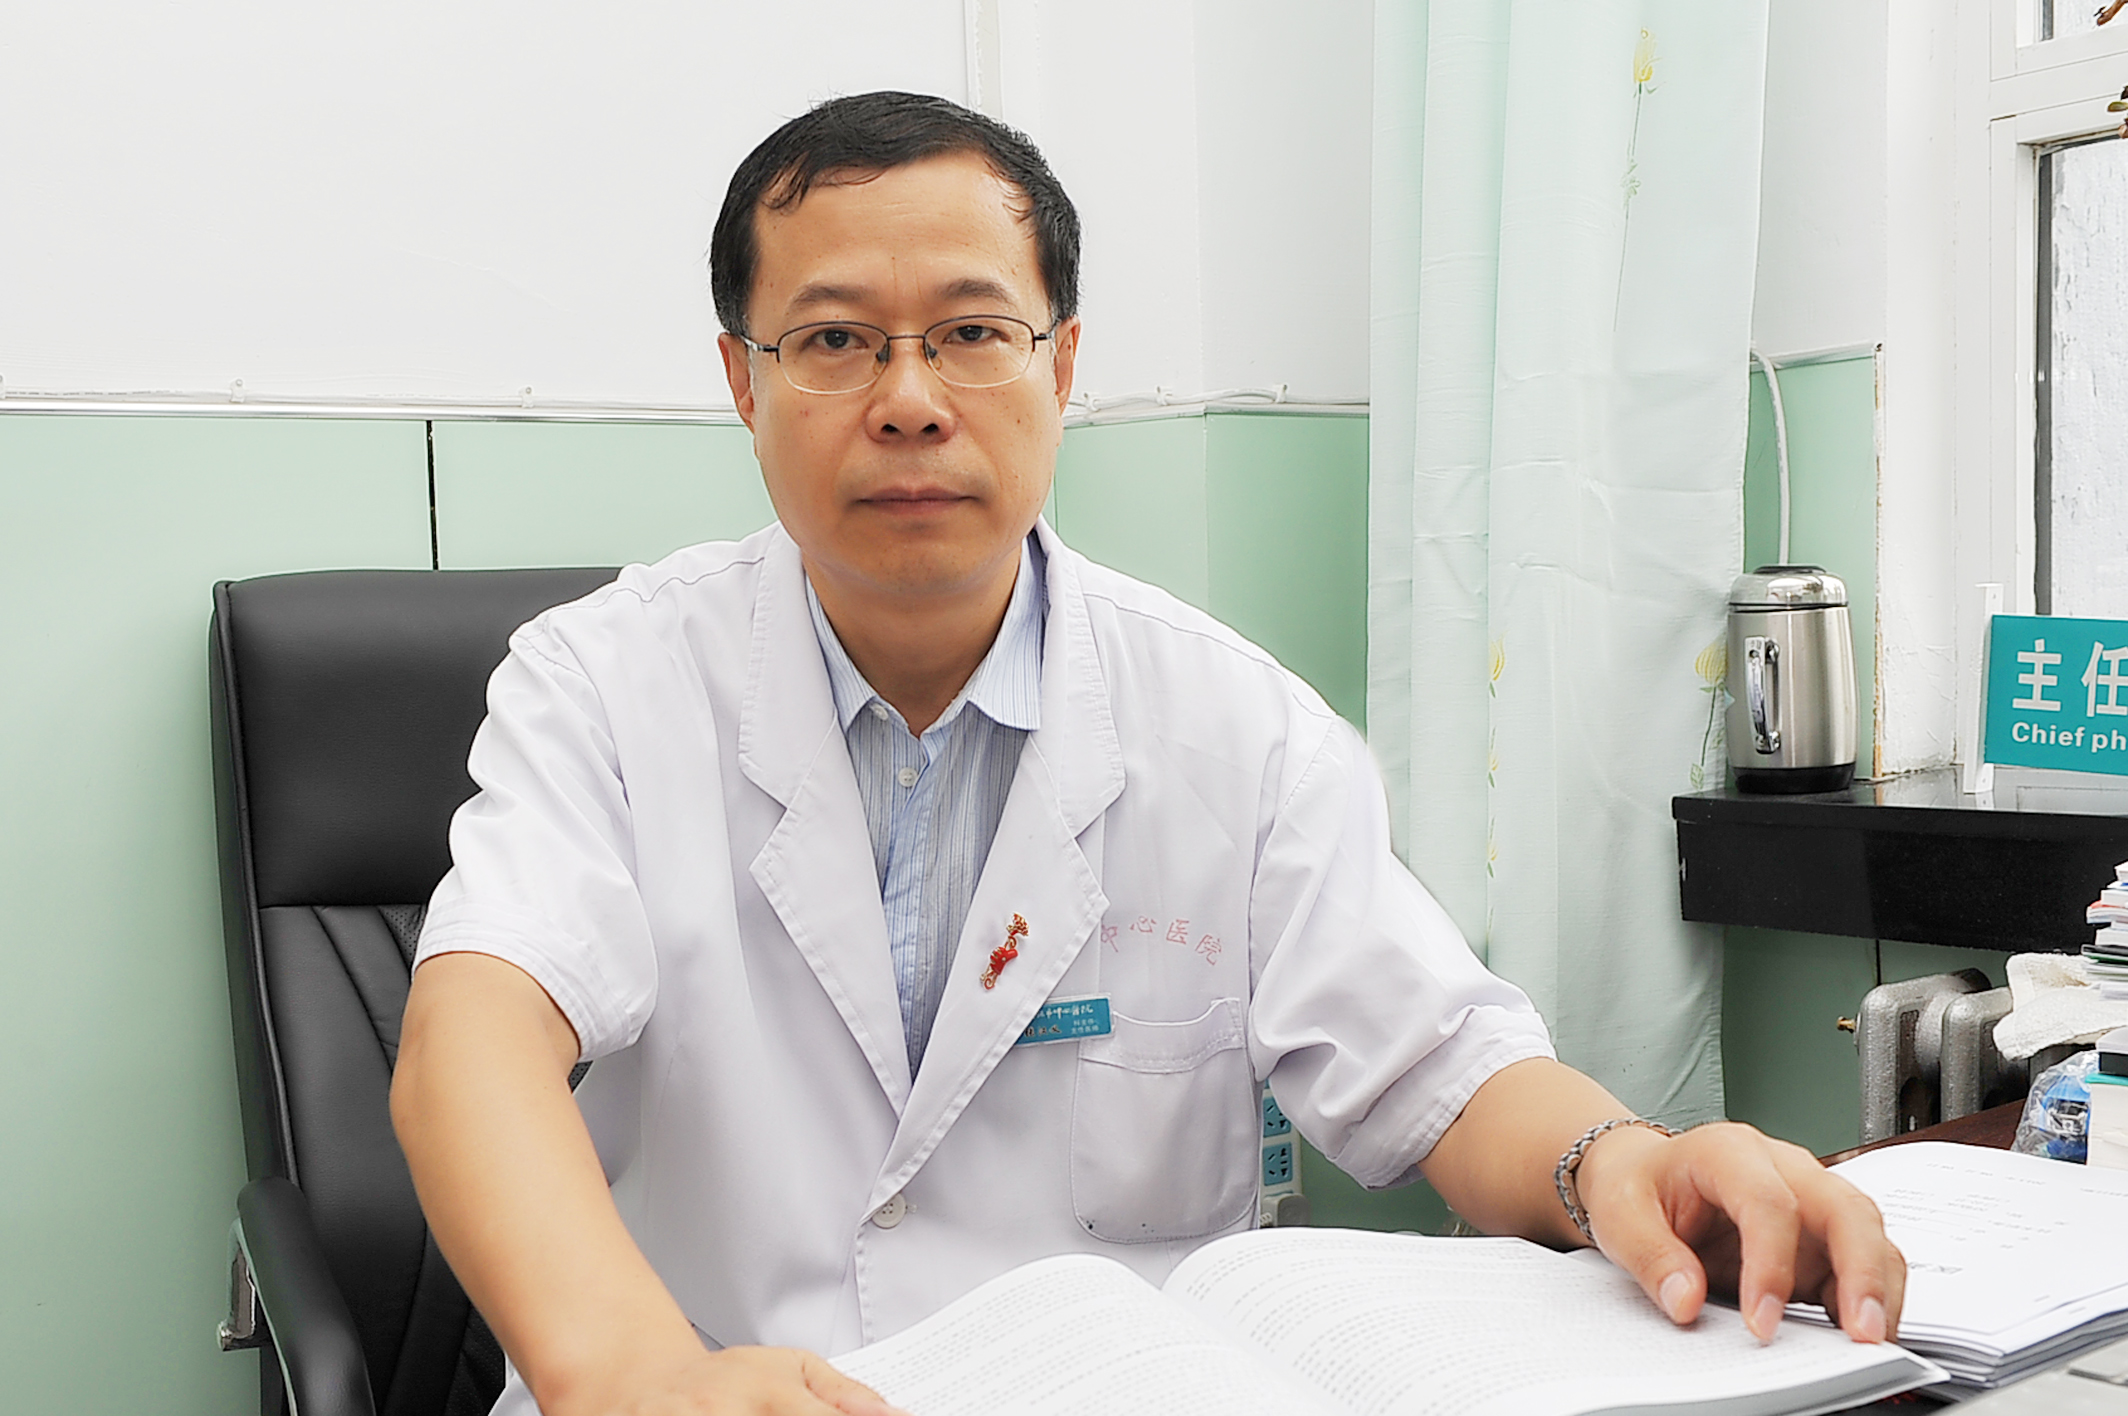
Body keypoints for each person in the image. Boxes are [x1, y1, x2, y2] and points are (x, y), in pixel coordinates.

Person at [391, 91, 1905, 1416]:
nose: (909, 402)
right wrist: (628, 1369)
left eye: (973, 334)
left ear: (1061, 367)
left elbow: (1444, 1070)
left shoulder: (1234, 727)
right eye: (835, 340)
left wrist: (1619, 1163)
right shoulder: (604, 685)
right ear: (744, 380)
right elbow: (474, 1037)